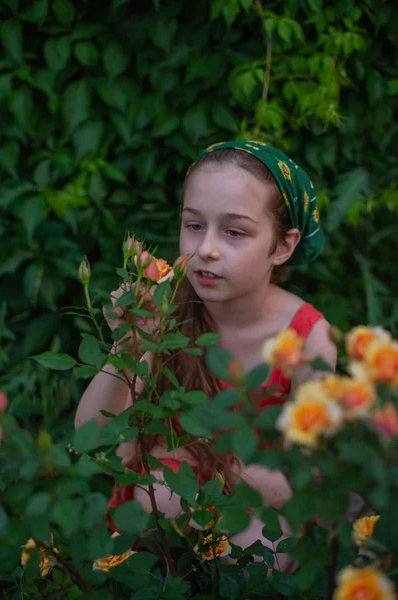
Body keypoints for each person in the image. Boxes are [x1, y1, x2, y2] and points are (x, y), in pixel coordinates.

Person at [75, 140, 337, 571]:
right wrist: (129, 346)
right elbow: (96, 444)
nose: (206, 249)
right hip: (164, 501)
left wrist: (207, 473)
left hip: (258, 508)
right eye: (194, 225)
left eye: (234, 232)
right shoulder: (163, 309)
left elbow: (302, 478)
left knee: (257, 552)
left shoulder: (309, 339)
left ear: (283, 245)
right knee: (152, 502)